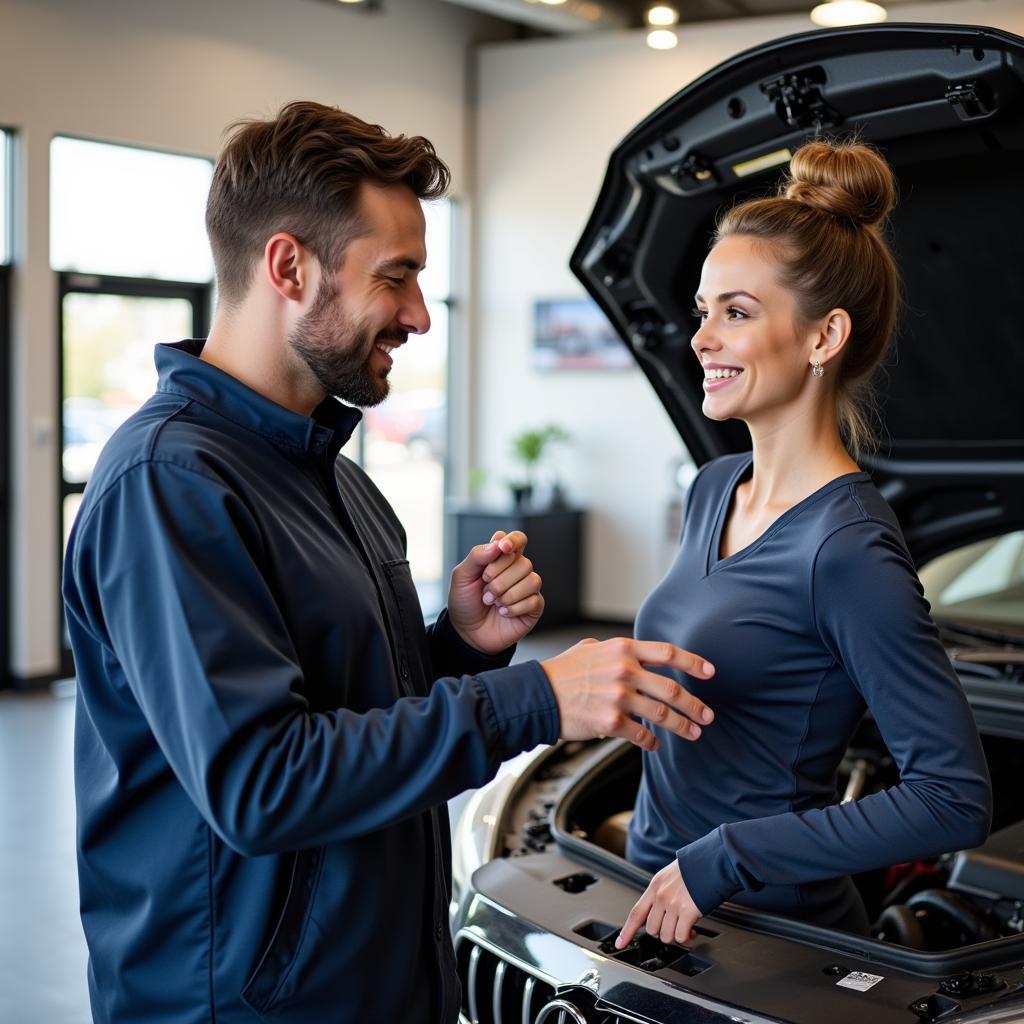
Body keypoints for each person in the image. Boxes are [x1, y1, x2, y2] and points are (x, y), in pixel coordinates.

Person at [62, 101, 719, 1024]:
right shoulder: (170, 483)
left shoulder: (336, 479)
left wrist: (456, 644)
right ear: (288, 266)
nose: (418, 314)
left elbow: (344, 709)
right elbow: (261, 782)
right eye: (396, 277)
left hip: (375, 981)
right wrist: (536, 699)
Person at [616, 139, 992, 951]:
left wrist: (732, 854)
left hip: (769, 941)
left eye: (737, 313)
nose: (702, 339)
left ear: (824, 338)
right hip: (650, 906)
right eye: (703, 310)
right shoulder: (713, 487)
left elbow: (953, 797)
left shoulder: (846, 548)